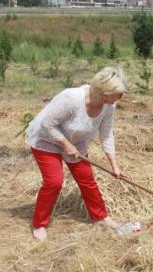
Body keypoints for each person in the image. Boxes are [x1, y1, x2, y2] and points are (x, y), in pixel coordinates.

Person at [26, 66, 127, 240]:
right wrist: (65, 144)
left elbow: (106, 134)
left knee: (87, 179)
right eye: (117, 94)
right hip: (46, 140)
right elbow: (48, 124)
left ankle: (101, 217)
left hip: (76, 142)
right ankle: (39, 224)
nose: (120, 97)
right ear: (104, 93)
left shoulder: (109, 106)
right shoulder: (71, 98)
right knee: (54, 182)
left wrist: (114, 166)